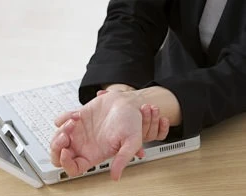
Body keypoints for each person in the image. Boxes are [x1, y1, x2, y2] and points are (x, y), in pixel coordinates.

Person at [50, 0, 246, 181]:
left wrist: (140, 103)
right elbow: (132, 12)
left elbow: (239, 72)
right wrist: (119, 94)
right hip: (174, 97)